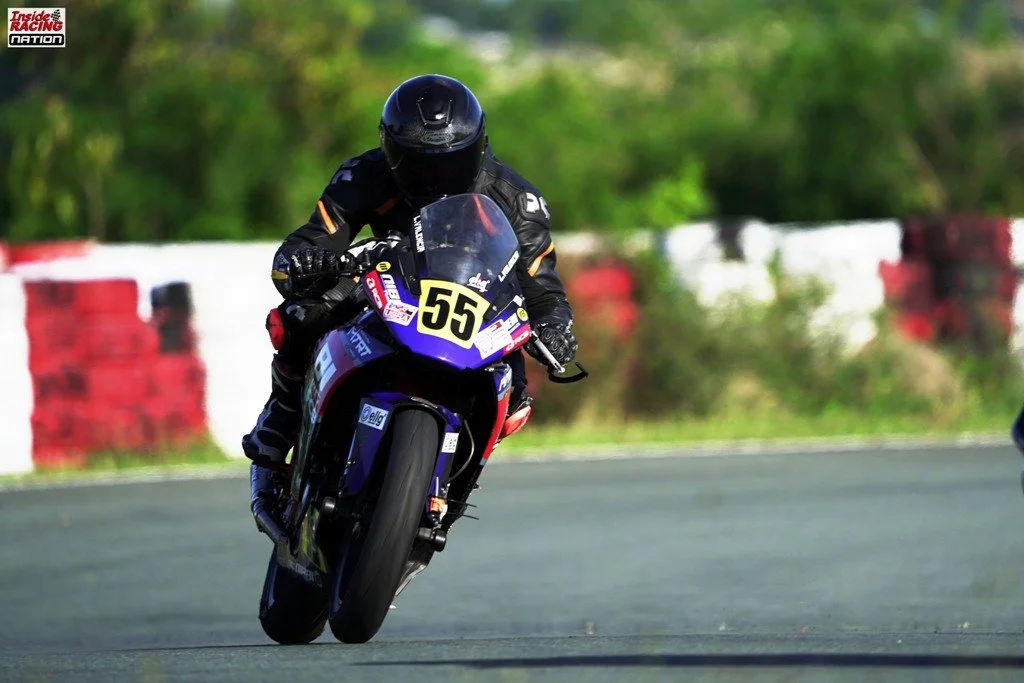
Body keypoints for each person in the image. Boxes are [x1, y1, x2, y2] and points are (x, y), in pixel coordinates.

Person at [243, 74, 579, 508]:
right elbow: (307, 244)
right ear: (391, 150)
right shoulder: (363, 176)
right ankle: (284, 412)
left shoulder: (516, 199)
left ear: (477, 146)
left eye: (451, 161)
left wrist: (554, 324)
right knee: (301, 314)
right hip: (387, 284)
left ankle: (456, 484)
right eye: (419, 163)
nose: (436, 176)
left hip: (473, 303)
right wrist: (307, 264)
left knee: (514, 393)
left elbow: (543, 285)